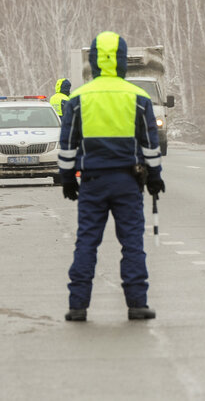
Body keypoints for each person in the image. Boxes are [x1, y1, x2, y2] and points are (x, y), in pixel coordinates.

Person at [59, 31, 163, 322]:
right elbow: (150, 145)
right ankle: (137, 304)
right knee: (132, 242)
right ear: (121, 61)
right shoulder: (139, 98)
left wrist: (67, 178)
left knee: (87, 242)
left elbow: (67, 143)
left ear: (92, 60)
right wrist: (154, 177)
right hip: (128, 182)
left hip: (91, 182)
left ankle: (77, 306)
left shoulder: (78, 99)